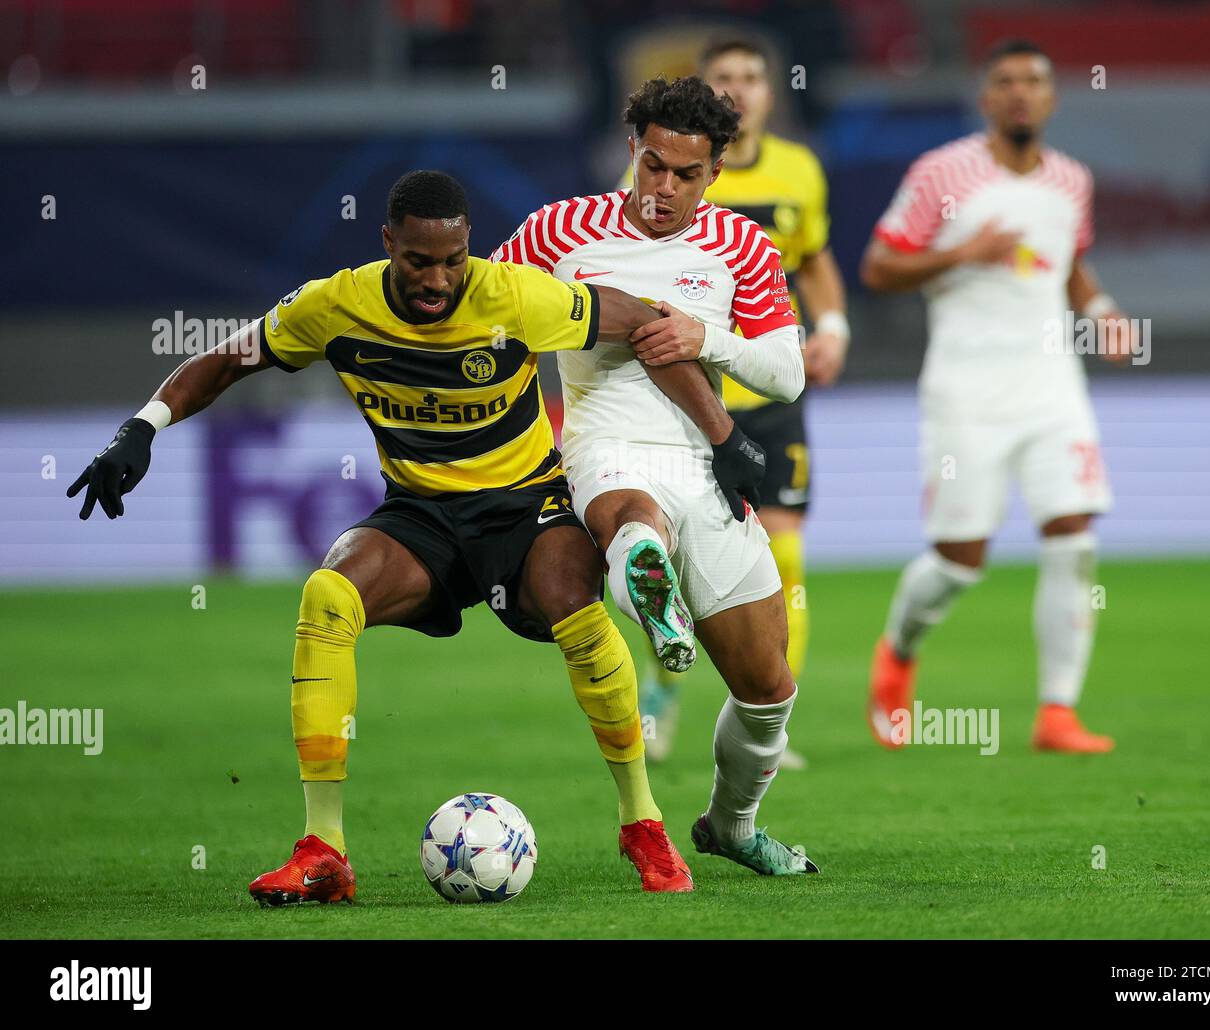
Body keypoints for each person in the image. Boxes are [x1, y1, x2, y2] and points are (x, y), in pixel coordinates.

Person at [67, 170, 766, 899]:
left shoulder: (517, 295)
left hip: (525, 507)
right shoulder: (334, 305)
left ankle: (642, 825)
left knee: (573, 602)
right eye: (418, 261)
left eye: (453, 260)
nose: (438, 279)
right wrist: (140, 430)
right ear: (387, 244)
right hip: (419, 513)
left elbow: (651, 323)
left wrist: (723, 433)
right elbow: (223, 361)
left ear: (470, 249)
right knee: (327, 595)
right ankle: (324, 850)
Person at [494, 76, 818, 875]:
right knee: (635, 517)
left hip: (706, 467)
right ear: (632, 150)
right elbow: (485, 311)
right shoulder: (559, 229)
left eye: (684, 174)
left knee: (769, 688)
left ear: (714, 174)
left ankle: (732, 826)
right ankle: (646, 577)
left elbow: (786, 372)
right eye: (651, 165)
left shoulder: (742, 244)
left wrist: (706, 337)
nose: (662, 188)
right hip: (602, 440)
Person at [861, 40, 1133, 754]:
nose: (1020, 93)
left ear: (1051, 98)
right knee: (958, 561)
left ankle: (1057, 713)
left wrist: (1099, 308)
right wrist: (960, 252)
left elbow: (1068, 260)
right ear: (986, 99)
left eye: (1034, 82)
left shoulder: (1072, 180)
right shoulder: (943, 173)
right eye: (1006, 82)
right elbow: (879, 265)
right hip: (965, 390)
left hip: (1052, 388)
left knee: (1074, 541)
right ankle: (897, 653)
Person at [634, 37, 850, 769]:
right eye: (723, 77)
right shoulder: (673, 177)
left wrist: (834, 327)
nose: (740, 89)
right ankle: (662, 692)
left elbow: (813, 258)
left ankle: (764, 715)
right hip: (695, 395)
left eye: (752, 77)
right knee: (684, 561)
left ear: (769, 90)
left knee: (785, 555)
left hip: (773, 389)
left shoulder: (799, 170)